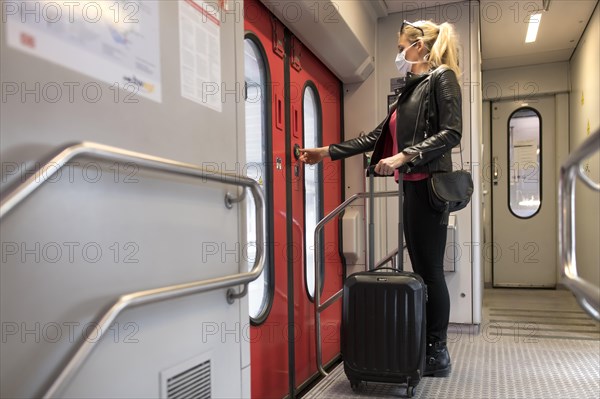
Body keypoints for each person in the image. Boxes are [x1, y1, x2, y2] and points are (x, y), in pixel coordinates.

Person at [299, 20, 461, 377]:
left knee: (430, 271)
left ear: (419, 47)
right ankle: (427, 345)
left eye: (401, 46)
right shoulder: (409, 90)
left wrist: (405, 156)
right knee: (423, 269)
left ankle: (439, 351)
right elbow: (373, 137)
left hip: (430, 188)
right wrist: (325, 152)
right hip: (414, 187)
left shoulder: (442, 78)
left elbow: (452, 132)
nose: (398, 53)